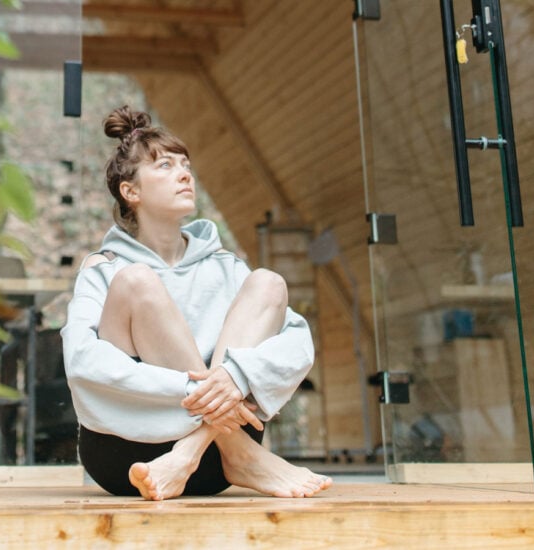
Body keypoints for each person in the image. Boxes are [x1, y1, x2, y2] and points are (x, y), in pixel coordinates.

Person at [60, 105, 332, 501]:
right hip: (128, 450)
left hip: (209, 466)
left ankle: (203, 450)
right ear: (130, 191)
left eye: (185, 165)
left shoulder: (225, 267)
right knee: (137, 282)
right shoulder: (105, 270)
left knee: (269, 283)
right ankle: (239, 452)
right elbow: (83, 362)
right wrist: (197, 389)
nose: (185, 174)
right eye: (166, 166)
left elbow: (296, 344)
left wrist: (235, 378)